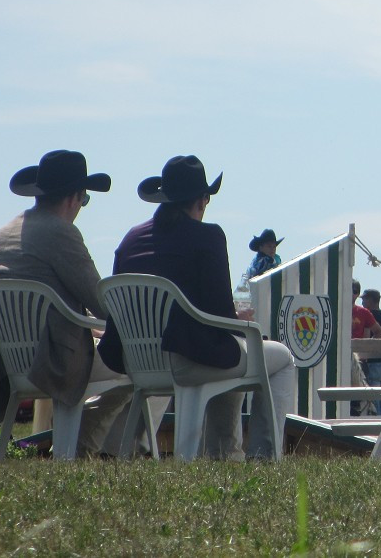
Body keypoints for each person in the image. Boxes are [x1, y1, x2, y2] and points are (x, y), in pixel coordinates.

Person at [100, 155, 295, 459]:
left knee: (227, 348)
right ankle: (262, 457)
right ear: (202, 201)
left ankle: (225, 452)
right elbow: (218, 315)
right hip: (188, 359)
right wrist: (238, 319)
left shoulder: (130, 240)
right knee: (280, 359)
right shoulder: (208, 236)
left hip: (139, 362)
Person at [0, 150, 132, 457]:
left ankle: (77, 447)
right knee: (135, 366)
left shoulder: (2, 234)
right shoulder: (62, 232)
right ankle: (86, 451)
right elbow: (102, 304)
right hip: (53, 359)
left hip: (6, 361)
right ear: (74, 198)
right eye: (84, 200)